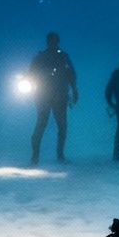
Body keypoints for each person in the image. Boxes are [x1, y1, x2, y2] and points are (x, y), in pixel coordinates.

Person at [28, 31, 79, 165]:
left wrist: (74, 90)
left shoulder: (62, 57)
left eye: (54, 40)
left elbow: (71, 75)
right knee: (43, 125)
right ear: (48, 41)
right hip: (45, 95)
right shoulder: (42, 57)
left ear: (57, 41)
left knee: (59, 126)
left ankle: (58, 155)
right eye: (51, 40)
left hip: (58, 96)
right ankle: (35, 156)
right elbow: (31, 74)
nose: (52, 43)